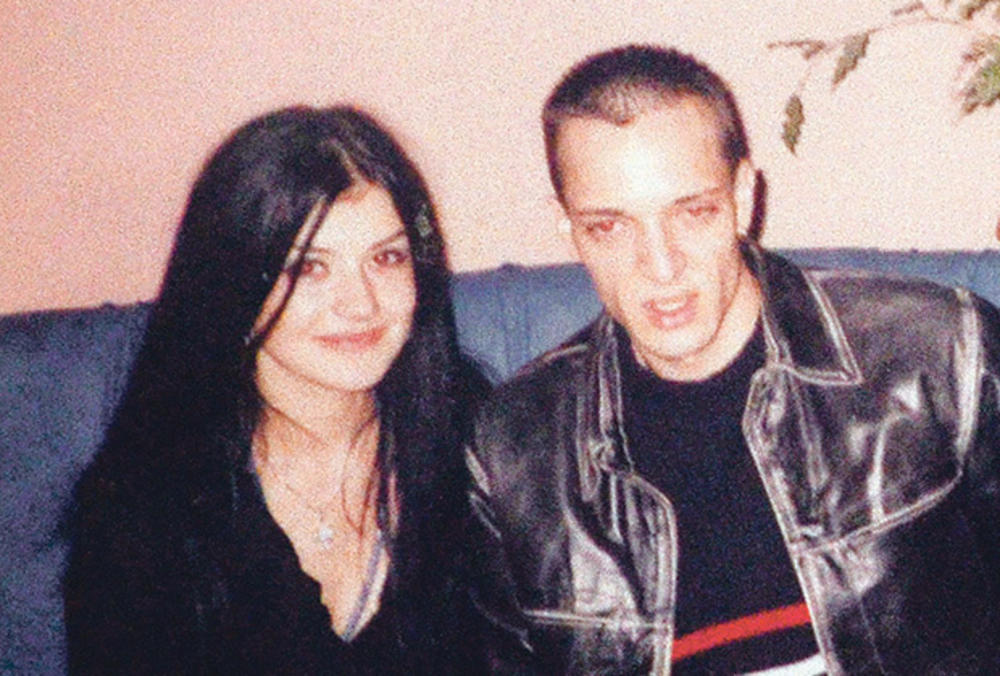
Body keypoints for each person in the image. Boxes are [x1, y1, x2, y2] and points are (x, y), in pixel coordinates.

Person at [466, 44, 1000, 674]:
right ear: (568, 227)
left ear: (743, 197)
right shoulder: (514, 451)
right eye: (609, 226)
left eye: (693, 212)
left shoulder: (941, 353)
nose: (661, 266)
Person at [63, 106, 490, 674]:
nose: (360, 303)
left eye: (386, 258)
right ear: (235, 282)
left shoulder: (481, 444)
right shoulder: (146, 505)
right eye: (308, 268)